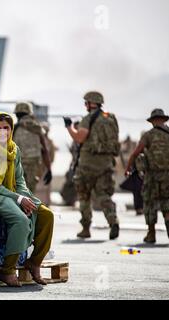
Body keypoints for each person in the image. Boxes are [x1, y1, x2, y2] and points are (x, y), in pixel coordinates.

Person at [0, 111, 54, 286]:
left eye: (6, 128)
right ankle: (7, 269)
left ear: (11, 130)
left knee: (45, 214)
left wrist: (26, 198)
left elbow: (20, 180)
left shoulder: (14, 149)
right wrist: (19, 200)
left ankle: (34, 263)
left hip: (13, 193)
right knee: (20, 220)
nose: (2, 132)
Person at [63, 91, 120, 240]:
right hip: (106, 163)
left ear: (89, 103)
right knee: (104, 195)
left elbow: (79, 137)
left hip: (88, 164)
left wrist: (69, 127)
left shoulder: (88, 119)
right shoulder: (110, 118)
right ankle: (113, 220)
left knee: (84, 196)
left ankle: (86, 229)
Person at [124, 109, 169, 243]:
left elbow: (136, 153)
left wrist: (128, 168)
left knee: (149, 201)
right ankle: (168, 219)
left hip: (152, 174)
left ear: (152, 121)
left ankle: (151, 233)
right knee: (168, 198)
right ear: (164, 120)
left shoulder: (148, 135)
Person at [13, 102, 52, 194]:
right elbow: (45, 151)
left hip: (17, 165)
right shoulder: (37, 128)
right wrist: (49, 169)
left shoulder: (14, 128)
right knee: (29, 194)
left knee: (17, 194)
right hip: (33, 165)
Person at [60, 121, 80, 206]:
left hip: (80, 165)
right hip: (74, 164)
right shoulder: (75, 140)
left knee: (75, 183)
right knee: (69, 181)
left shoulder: (81, 139)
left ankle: (72, 200)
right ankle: (69, 200)